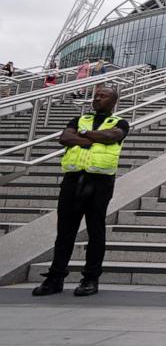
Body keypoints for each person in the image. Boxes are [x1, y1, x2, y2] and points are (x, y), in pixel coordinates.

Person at [32, 85, 130, 297]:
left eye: (103, 96)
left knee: (96, 231)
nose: (97, 99)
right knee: (65, 231)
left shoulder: (120, 122)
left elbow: (111, 137)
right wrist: (91, 136)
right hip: (73, 180)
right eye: (96, 95)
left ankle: (90, 278)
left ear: (113, 102)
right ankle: (55, 277)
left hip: (100, 182)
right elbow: (65, 138)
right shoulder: (79, 119)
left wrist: (84, 135)